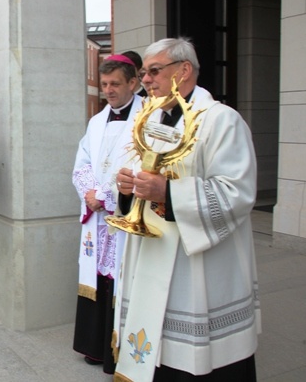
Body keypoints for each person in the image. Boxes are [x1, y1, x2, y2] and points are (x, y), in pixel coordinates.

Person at [113, 37, 260, 381]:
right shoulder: (152, 120)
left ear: (184, 70)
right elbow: (141, 178)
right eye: (143, 72)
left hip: (197, 263)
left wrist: (169, 193)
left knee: (198, 363)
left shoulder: (221, 120)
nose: (145, 80)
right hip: (152, 248)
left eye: (153, 71)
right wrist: (126, 190)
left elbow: (237, 191)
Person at [71, 54, 143, 373]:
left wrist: (104, 195)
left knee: (121, 280)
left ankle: (120, 354)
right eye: (104, 84)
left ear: (133, 82)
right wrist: (89, 193)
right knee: (99, 279)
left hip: (124, 214)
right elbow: (82, 161)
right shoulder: (96, 121)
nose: (109, 90)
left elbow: (142, 165)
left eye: (115, 83)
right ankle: (97, 347)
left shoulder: (147, 118)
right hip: (98, 217)